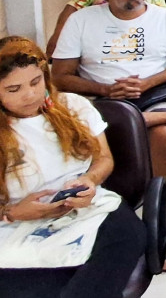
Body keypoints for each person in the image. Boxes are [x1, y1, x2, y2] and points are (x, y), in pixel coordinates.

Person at [0, 37, 146, 298]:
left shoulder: (72, 106)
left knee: (127, 236)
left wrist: (90, 180)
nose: (30, 94)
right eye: (14, 89)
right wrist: (12, 212)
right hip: (16, 221)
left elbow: (104, 159)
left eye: (36, 82)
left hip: (84, 207)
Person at [52, 0, 166, 203]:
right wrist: (105, 89)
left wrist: (147, 83)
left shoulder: (164, 18)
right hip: (99, 98)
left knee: (164, 135)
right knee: (97, 126)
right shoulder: (81, 21)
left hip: (152, 92)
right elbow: (60, 76)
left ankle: (162, 210)